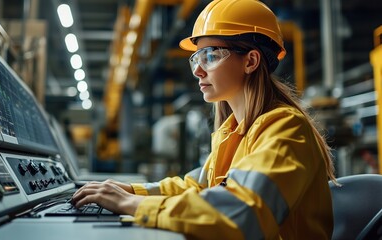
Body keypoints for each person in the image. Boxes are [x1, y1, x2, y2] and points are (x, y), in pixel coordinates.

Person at [72, 0, 336, 239]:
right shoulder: (233, 132)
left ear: (251, 61)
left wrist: (132, 205)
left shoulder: (285, 129)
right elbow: (194, 186)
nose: (198, 70)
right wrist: (131, 191)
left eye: (210, 55)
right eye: (196, 57)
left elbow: (243, 214)